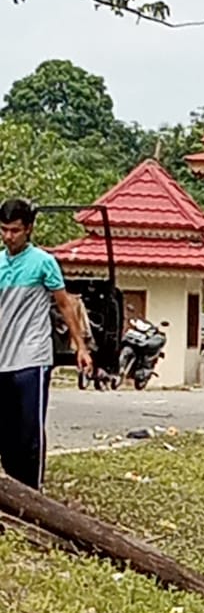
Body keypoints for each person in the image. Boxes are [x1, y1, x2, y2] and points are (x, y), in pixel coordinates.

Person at [0, 197, 92, 488]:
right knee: (6, 429)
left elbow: (65, 306)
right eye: (3, 230)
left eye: (14, 230)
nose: (8, 236)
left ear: (28, 229)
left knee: (30, 429)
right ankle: (13, 490)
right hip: (2, 355)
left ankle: (33, 491)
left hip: (33, 357)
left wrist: (81, 346)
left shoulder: (43, 262)